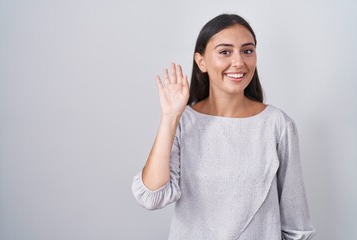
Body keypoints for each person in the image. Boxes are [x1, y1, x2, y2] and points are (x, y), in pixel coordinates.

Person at [132, 14, 316, 240]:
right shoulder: (184, 122)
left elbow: (296, 225)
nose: (239, 62)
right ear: (201, 62)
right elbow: (152, 196)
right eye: (225, 52)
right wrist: (170, 118)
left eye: (247, 51)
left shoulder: (277, 125)